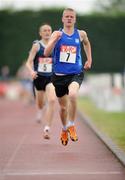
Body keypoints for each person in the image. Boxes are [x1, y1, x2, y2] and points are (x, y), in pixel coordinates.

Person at [44, 8, 92, 145]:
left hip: (75, 74)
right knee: (63, 108)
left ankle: (71, 125)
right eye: (67, 16)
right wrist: (54, 41)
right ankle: (64, 129)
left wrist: (89, 59)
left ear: (75, 19)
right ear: (63, 19)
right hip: (59, 77)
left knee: (73, 95)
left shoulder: (81, 34)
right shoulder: (56, 34)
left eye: (72, 16)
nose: (69, 19)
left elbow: (87, 43)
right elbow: (47, 53)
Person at [26, 24, 56, 139]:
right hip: (38, 78)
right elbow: (28, 62)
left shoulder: (55, 45)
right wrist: (31, 71)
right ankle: (39, 110)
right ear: (40, 33)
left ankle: (47, 128)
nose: (47, 32)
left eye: (49, 30)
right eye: (45, 30)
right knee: (40, 103)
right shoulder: (36, 46)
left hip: (51, 78)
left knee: (52, 100)